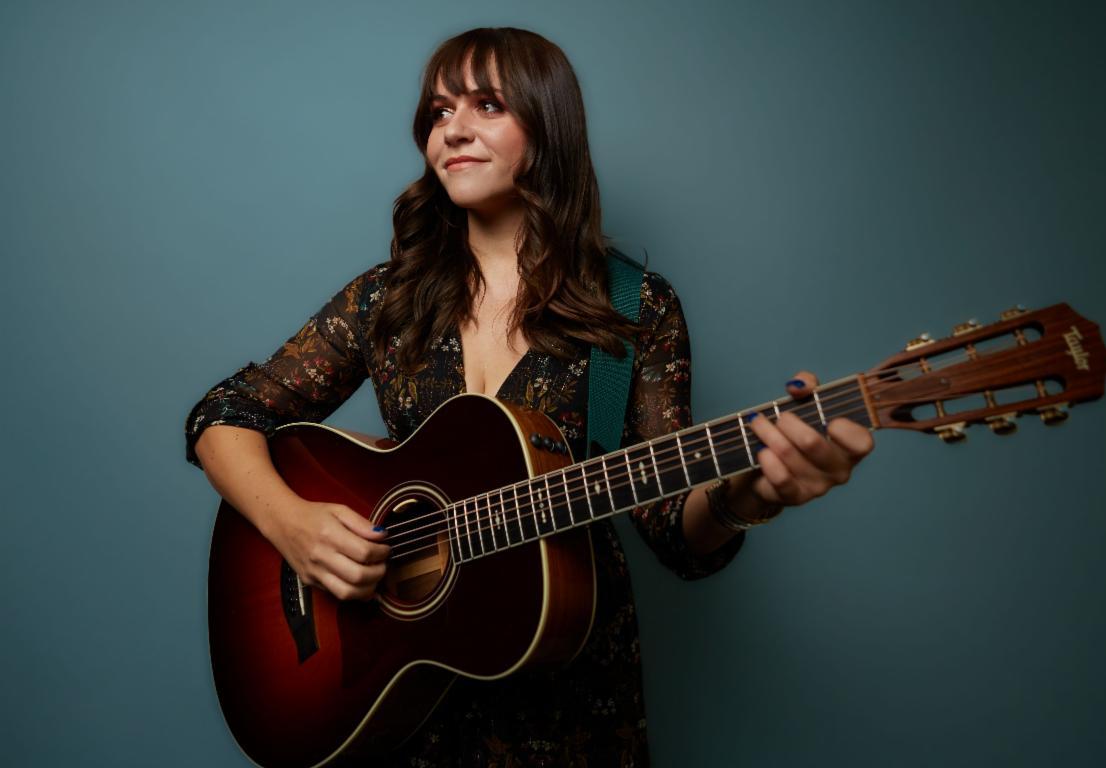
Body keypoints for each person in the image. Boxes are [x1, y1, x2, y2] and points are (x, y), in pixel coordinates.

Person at [186, 27, 873, 766]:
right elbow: (222, 415)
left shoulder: (632, 308)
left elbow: (677, 531)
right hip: (397, 704)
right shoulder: (387, 301)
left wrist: (750, 493)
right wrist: (293, 525)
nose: (453, 129)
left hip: (567, 701)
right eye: (440, 110)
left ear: (547, 129)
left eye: (487, 105)